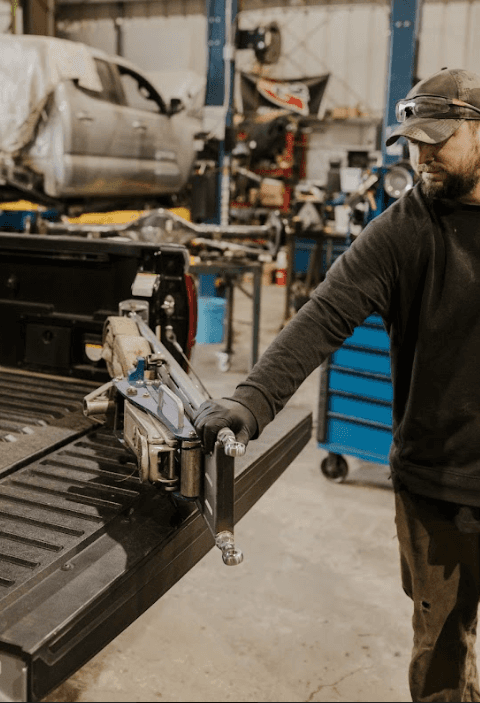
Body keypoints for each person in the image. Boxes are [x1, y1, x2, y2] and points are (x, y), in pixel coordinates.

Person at [193, 67, 480, 703]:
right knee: (442, 651)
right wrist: (253, 399)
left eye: (438, 138)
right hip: (435, 482)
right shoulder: (405, 230)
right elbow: (324, 314)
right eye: (413, 140)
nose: (422, 153)